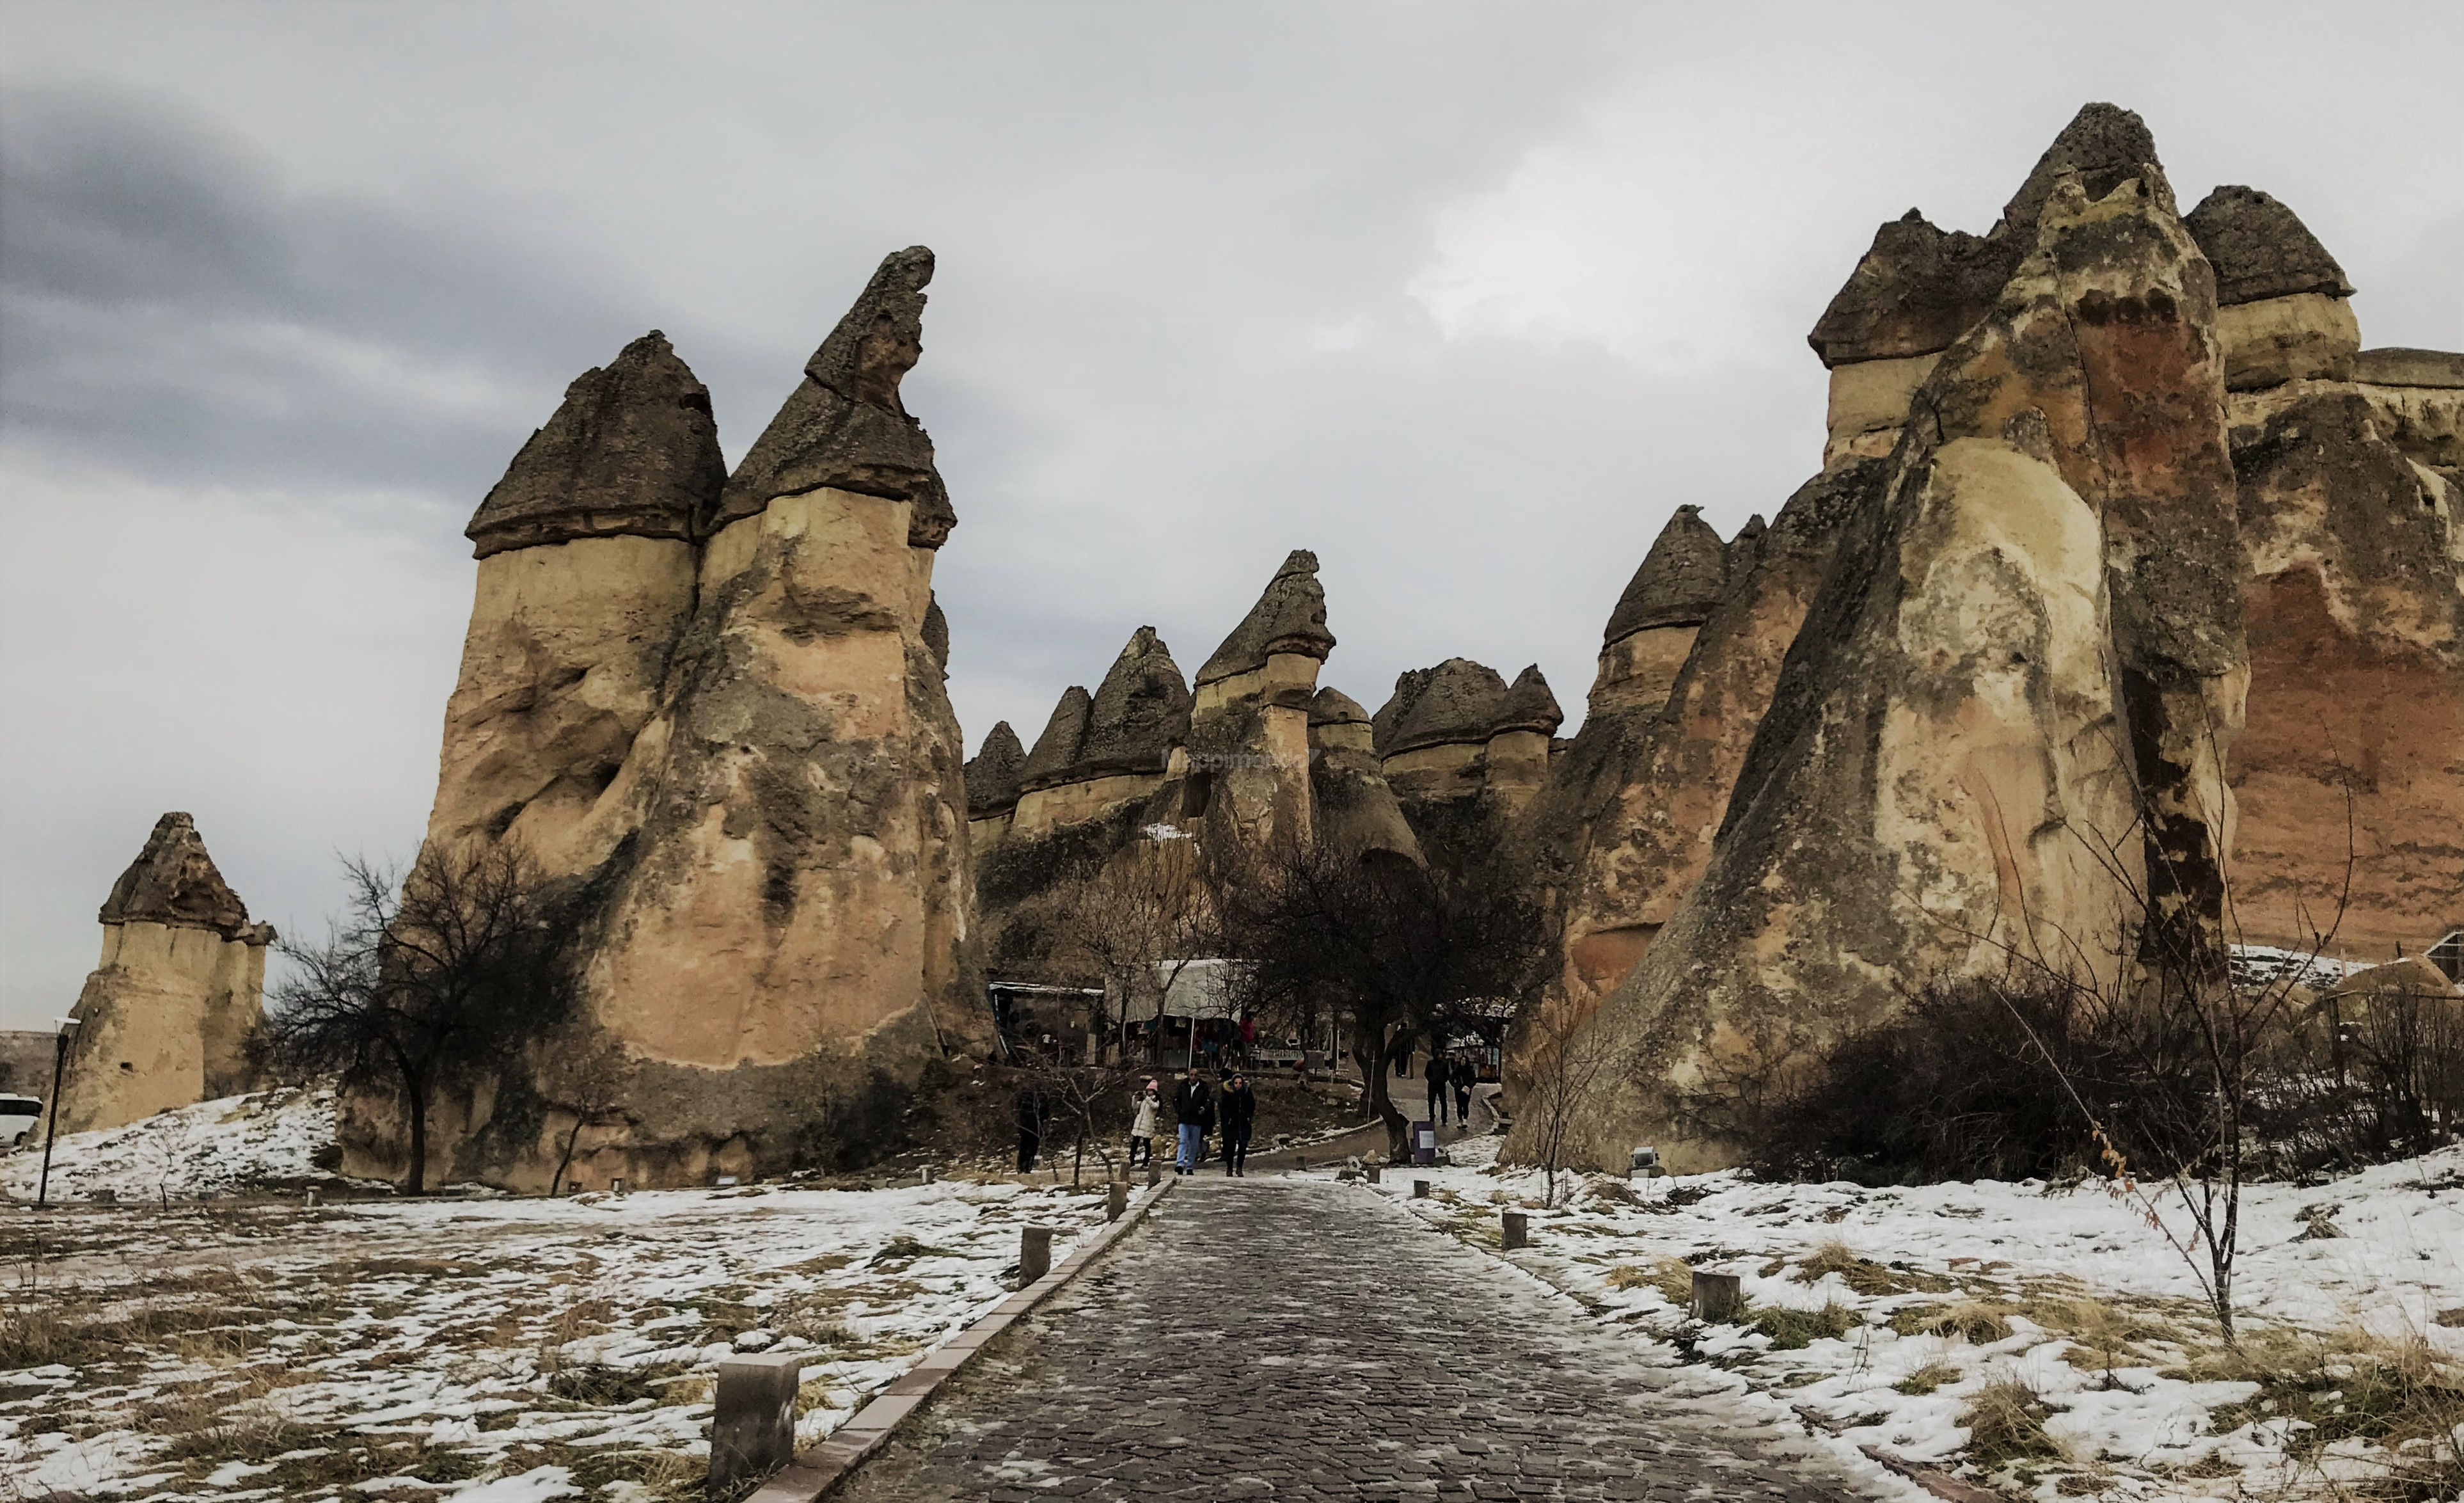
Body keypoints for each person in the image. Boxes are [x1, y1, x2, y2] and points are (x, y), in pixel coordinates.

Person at [1173, 1069, 1213, 1175]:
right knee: (1183, 1141)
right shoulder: (1183, 1086)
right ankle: (1180, 1164)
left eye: (1195, 1075)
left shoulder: (1203, 1088)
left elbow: (1208, 1101)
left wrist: (1203, 1109)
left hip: (1197, 1119)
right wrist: (1179, 1110)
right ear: (1189, 1075)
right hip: (1184, 1118)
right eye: (1191, 1075)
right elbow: (1176, 1098)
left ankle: (1190, 1166)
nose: (1193, 1077)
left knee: (1194, 1144)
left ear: (1198, 1076)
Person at [1219, 1071, 1256, 1177]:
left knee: (1243, 1145)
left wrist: (1248, 1115)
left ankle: (1239, 1167)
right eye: (1236, 1083)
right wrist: (1228, 1119)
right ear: (1233, 1083)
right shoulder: (1229, 1093)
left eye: (1240, 1083)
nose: (1238, 1085)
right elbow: (1224, 1108)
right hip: (1232, 1123)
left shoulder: (1247, 1092)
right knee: (1231, 1147)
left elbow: (1252, 1105)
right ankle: (1229, 1168)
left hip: (1244, 1122)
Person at [1014, 1081, 1048, 1174]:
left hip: (1024, 1127)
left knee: (1023, 1147)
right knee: (1032, 1149)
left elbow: (1018, 1110)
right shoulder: (1041, 1098)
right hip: (1036, 1128)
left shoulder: (1023, 1098)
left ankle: (1020, 1167)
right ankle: (1027, 1167)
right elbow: (1046, 1114)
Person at [1128, 1077, 1159, 1167]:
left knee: (1147, 1143)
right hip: (1139, 1124)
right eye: (1148, 1090)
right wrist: (1135, 1097)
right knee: (1135, 1143)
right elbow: (1135, 1107)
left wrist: (1147, 1098)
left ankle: (1146, 1162)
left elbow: (1154, 1107)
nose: (1149, 1093)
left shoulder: (1155, 1100)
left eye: (1151, 1091)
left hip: (1148, 1124)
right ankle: (1132, 1159)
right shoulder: (1144, 1101)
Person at [1424, 1051, 1451, 1126]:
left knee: (1443, 1102)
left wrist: (1444, 1080)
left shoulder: (1445, 1064)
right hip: (1432, 1085)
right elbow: (1426, 1073)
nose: (1440, 1056)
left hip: (1441, 1086)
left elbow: (1447, 1074)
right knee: (1431, 1102)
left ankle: (1444, 1118)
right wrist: (1431, 1079)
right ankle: (1432, 1116)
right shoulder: (1430, 1063)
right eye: (1439, 1055)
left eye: (1441, 1055)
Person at [1453, 1054, 1475, 1127]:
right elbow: (1451, 1078)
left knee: (1465, 1105)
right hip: (1458, 1089)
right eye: (1462, 1060)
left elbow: (1474, 1080)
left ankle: (1465, 1119)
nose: (1463, 1062)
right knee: (1459, 1105)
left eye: (1464, 1061)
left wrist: (1469, 1086)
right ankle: (1460, 1120)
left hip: (1467, 1089)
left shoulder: (1470, 1070)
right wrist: (1455, 1085)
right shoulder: (1457, 1070)